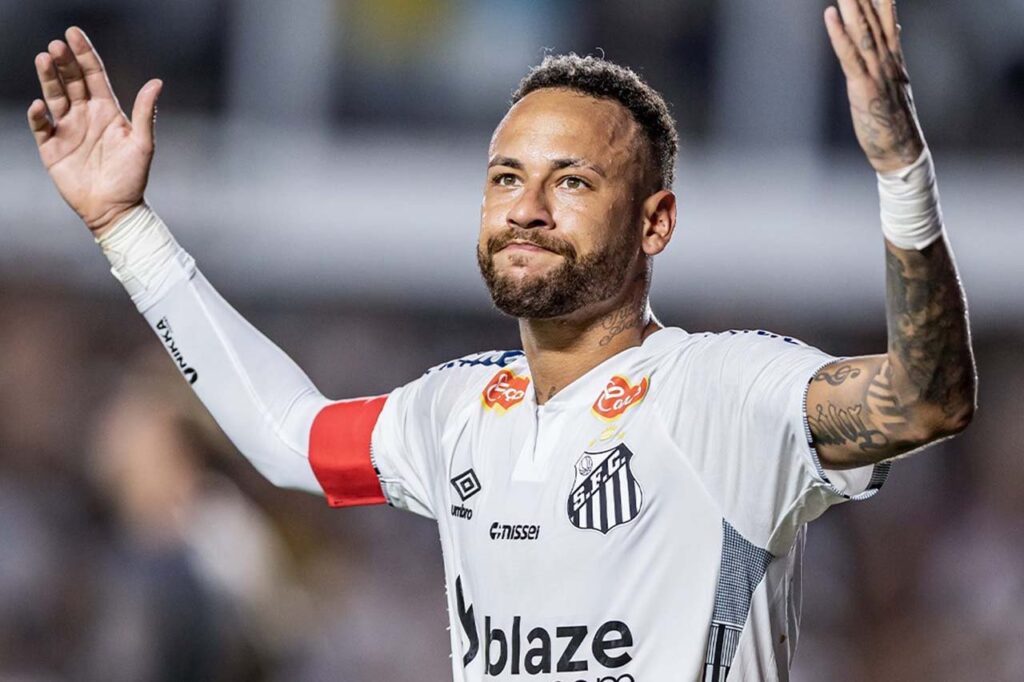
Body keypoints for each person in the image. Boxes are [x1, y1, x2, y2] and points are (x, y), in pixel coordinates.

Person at [28, 1, 976, 679]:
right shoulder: (457, 411)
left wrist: (900, 171)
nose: (525, 209)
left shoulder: (721, 391)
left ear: (656, 223)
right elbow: (290, 437)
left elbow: (925, 399)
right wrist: (126, 228)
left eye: (571, 182)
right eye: (504, 178)